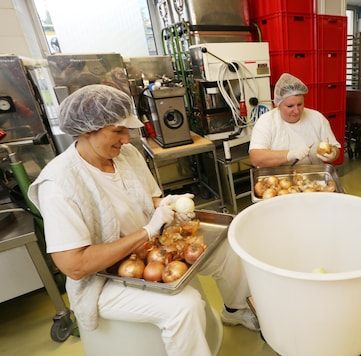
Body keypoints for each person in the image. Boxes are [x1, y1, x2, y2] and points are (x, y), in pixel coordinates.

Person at [27, 84, 258, 356]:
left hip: (152, 252)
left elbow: (149, 200)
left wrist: (168, 205)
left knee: (228, 250)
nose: (126, 139)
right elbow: (74, 266)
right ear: (89, 129)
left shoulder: (126, 155)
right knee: (185, 306)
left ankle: (235, 310)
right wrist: (147, 231)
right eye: (118, 131)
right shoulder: (60, 183)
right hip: (105, 279)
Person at [249, 73, 341, 167]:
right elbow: (256, 158)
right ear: (277, 104)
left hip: (312, 176)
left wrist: (333, 153)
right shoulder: (266, 122)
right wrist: (290, 155)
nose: (296, 111)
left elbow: (335, 148)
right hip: (276, 178)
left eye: (300, 104)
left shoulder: (316, 118)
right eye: (290, 106)